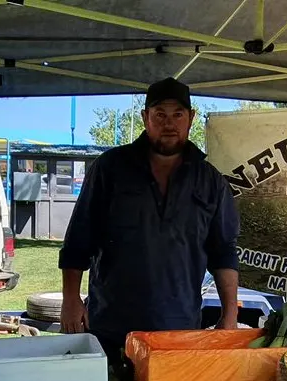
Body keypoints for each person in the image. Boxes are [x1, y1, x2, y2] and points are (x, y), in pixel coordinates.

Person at [58, 77, 240, 361]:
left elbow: (223, 252)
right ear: (145, 118)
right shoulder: (110, 168)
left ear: (191, 118)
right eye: (160, 115)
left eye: (178, 114)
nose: (169, 123)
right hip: (112, 326)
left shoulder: (211, 181)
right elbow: (79, 239)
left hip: (179, 329)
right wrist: (70, 300)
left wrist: (229, 316)